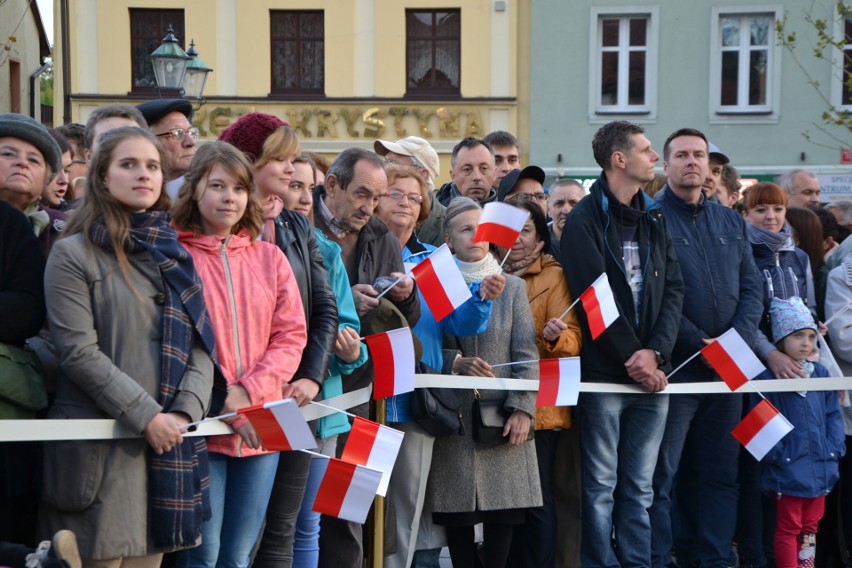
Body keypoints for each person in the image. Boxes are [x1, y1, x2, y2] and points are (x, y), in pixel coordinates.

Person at [40, 126, 216, 564]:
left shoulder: (175, 254)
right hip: (100, 458)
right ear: (102, 177)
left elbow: (201, 346)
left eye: (153, 166)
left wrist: (182, 412)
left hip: (166, 455)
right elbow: (77, 351)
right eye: (129, 164)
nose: (144, 174)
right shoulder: (73, 254)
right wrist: (147, 416)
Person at [170, 141, 307, 568]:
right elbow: (181, 341)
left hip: (261, 423)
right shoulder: (175, 257)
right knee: (202, 555)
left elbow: (291, 336)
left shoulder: (270, 258)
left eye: (238, 188)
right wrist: (224, 401)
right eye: (216, 185)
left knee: (238, 555)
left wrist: (248, 393)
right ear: (194, 191)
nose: (229, 197)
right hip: (203, 423)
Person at [217, 112, 339, 568]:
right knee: (224, 545)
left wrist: (311, 374)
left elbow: (322, 308)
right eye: (282, 159)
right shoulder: (221, 225)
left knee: (283, 525)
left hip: (290, 397)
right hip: (235, 400)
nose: (292, 169)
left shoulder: (296, 226)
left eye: (294, 159)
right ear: (250, 160)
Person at [560, 120, 684, 568]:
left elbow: (674, 290)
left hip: (652, 374)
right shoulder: (584, 219)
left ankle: (637, 561)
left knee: (641, 488)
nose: (655, 158)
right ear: (619, 159)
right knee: (599, 487)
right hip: (606, 376)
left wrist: (656, 355)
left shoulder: (654, 216)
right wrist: (636, 358)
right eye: (647, 149)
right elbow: (593, 296)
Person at [374, 164, 502, 568]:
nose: (406, 204)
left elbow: (461, 324)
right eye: (396, 194)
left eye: (414, 198)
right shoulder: (362, 252)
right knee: (360, 500)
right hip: (363, 395)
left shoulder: (431, 261)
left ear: (424, 210)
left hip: (415, 403)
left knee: (407, 506)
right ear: (378, 199)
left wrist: (481, 297)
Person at [649, 128, 763, 568]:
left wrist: (738, 337)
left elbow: (752, 288)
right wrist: (699, 341)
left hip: (729, 365)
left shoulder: (731, 221)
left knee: (721, 474)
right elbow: (654, 298)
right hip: (680, 366)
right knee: (665, 475)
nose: (692, 162)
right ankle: (664, 557)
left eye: (699, 155)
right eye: (682, 155)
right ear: (666, 164)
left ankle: (714, 558)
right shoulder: (652, 219)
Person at [313, 147, 420, 568]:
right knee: (300, 506)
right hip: (315, 386)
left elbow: (403, 323)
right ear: (332, 185)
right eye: (362, 195)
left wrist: (408, 298)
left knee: (349, 506)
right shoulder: (300, 226)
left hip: (364, 394)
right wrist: (348, 303)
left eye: (377, 198)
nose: (369, 207)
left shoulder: (380, 235)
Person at [427, 196, 542, 568]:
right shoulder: (436, 286)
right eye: (464, 229)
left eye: (481, 229)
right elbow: (427, 347)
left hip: (502, 414)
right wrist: (455, 362)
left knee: (503, 517)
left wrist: (523, 409)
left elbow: (527, 353)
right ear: (448, 239)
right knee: (457, 516)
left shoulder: (512, 287)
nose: (475, 236)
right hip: (453, 417)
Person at [283, 153, 368, 568]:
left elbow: (346, 327)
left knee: (307, 524)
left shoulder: (327, 251)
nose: (301, 197)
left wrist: (351, 351)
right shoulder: (259, 245)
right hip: (271, 397)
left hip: (322, 405)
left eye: (307, 187)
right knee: (269, 524)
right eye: (292, 185)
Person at [738, 181, 822, 568]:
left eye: (777, 210)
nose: (770, 217)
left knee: (794, 465)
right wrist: (770, 353)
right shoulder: (741, 252)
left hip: (798, 375)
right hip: (756, 372)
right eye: (761, 210)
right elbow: (744, 318)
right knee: (758, 465)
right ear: (745, 215)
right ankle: (757, 554)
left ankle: (789, 557)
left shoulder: (798, 257)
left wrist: (810, 339)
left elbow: (808, 307)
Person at [496, 200, 582, 568]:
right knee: (505, 503)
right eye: (508, 230)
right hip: (491, 401)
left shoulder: (554, 276)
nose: (515, 239)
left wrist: (554, 338)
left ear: (541, 241)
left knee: (538, 498)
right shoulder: (483, 272)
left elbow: (575, 341)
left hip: (540, 406)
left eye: (525, 231)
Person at [752, 296, 844, 568]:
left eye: (810, 336)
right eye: (797, 336)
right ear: (781, 340)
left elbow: (833, 415)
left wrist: (834, 449)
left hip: (821, 464)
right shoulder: (768, 378)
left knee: (811, 526)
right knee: (789, 526)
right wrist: (779, 455)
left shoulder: (822, 373)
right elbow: (758, 421)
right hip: (788, 467)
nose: (806, 343)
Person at [374, 135, 446, 247]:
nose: (384, 169)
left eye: (392, 163)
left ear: (423, 174)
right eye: (385, 162)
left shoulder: (448, 224)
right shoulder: (370, 210)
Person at [0, 114, 63, 239]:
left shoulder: (67, 232)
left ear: (46, 178)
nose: (23, 163)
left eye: (33, 160)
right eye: (8, 153)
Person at [137, 99, 198, 199]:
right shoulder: (133, 199)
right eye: (177, 133)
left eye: (191, 132)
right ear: (148, 142)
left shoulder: (202, 196)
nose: (191, 142)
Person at [435, 138, 498, 206]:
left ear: (494, 173)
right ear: (453, 175)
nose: (477, 177)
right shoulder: (434, 214)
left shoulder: (507, 213)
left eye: (484, 168)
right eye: (467, 169)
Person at [546, 178, 584, 261]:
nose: (566, 210)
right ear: (548, 209)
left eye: (573, 204)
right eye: (559, 203)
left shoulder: (601, 243)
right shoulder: (534, 243)